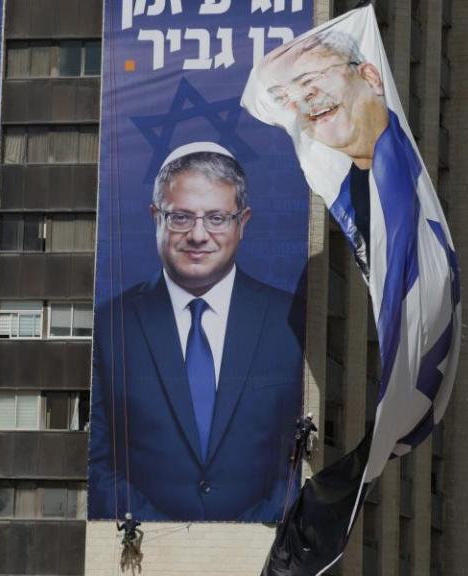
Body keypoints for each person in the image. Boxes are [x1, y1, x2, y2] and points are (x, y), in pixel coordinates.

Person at [88, 142, 305, 522]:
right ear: (156, 217)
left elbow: (300, 459)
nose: (199, 235)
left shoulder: (290, 321)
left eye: (217, 218)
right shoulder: (110, 326)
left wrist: (240, 540)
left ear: (243, 222)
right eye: (181, 217)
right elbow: (97, 459)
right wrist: (169, 543)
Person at [257, 29, 422, 279]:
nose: (301, 99)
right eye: (284, 96)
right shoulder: (349, 189)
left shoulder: (407, 175)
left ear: (369, 76)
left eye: (309, 80)